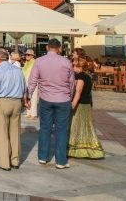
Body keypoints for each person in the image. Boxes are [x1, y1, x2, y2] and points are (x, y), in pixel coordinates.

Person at [27, 38, 74, 169]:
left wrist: (28, 96)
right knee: (61, 130)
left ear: (47, 47)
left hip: (46, 99)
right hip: (63, 99)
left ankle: (43, 157)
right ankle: (60, 161)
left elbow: (32, 81)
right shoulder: (66, 62)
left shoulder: (39, 61)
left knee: (45, 128)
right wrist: (69, 96)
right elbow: (71, 83)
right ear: (59, 48)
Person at [68, 55, 104, 159]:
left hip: (80, 106)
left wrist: (72, 106)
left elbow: (78, 93)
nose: (72, 67)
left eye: (74, 66)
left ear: (79, 67)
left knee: (77, 126)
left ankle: (77, 149)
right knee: (86, 127)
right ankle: (87, 148)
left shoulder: (80, 77)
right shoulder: (87, 76)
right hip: (87, 105)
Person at [22, 49, 38, 119]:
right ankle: (28, 112)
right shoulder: (26, 63)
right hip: (26, 82)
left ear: (32, 56)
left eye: (28, 55)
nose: (26, 56)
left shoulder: (35, 62)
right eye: (26, 54)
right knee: (28, 97)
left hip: (33, 82)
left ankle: (33, 114)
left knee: (33, 98)